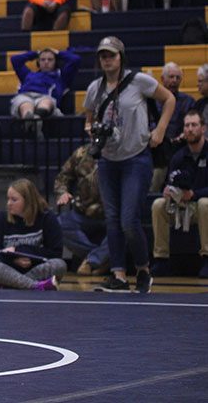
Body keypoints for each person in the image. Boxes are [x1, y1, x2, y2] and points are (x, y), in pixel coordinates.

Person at [84, 36, 175, 294]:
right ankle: (119, 275)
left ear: (121, 56)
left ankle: (143, 269)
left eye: (111, 55)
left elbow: (169, 99)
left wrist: (160, 130)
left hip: (136, 157)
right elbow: (88, 119)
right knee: (111, 219)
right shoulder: (95, 88)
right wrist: (93, 131)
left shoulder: (139, 81)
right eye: (103, 55)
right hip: (109, 161)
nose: (107, 59)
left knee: (128, 219)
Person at [0, 179, 66, 290]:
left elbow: (55, 252)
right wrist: (13, 260)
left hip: (35, 267)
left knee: (60, 265)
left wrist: (22, 251)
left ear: (28, 201)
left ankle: (5, 285)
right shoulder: (2, 217)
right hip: (9, 267)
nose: (9, 203)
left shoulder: (47, 218)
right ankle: (35, 286)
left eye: (14, 200)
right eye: (8, 199)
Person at [150, 110, 208, 279]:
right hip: (182, 205)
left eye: (194, 125)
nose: (190, 129)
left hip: (201, 206)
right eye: (187, 125)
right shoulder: (179, 156)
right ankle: (161, 259)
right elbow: (170, 181)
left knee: (205, 203)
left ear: (203, 128)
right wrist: (169, 191)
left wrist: (194, 194)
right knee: (158, 204)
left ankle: (206, 257)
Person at [54, 145, 108, 275]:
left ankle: (92, 261)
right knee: (58, 224)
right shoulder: (80, 153)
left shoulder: (121, 152)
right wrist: (63, 192)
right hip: (83, 213)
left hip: (110, 216)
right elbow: (63, 177)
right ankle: (102, 259)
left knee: (126, 225)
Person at [152, 62, 196, 190]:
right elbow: (148, 123)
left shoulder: (189, 101)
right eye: (171, 77)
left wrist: (184, 134)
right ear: (162, 79)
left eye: (178, 78)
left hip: (181, 148)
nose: (174, 81)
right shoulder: (152, 100)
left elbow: (193, 123)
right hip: (157, 150)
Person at [9, 47, 81, 121]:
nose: (46, 62)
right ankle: (29, 119)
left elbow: (76, 60)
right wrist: (36, 53)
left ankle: (36, 119)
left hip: (46, 98)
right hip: (25, 95)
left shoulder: (61, 77)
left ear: (55, 62)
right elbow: (15, 59)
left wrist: (58, 53)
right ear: (38, 62)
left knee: (46, 103)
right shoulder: (27, 74)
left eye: (50, 59)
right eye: (42, 59)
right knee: (25, 104)